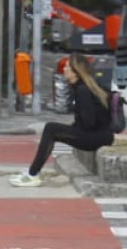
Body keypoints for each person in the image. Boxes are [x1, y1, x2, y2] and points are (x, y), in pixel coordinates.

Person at [10, 53, 113, 187]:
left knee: (51, 129)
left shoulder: (83, 90)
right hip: (100, 135)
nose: (64, 69)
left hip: (96, 137)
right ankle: (33, 172)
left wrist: (75, 127)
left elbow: (89, 122)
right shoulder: (83, 87)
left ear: (75, 72)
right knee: (53, 129)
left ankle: (33, 174)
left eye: (67, 67)